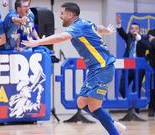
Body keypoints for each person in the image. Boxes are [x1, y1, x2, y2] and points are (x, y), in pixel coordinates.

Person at [22, 2, 126, 134]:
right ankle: (113, 124)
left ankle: (114, 129)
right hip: (96, 68)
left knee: (94, 106)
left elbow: (61, 37)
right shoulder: (85, 23)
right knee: (81, 103)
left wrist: (37, 42)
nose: (60, 16)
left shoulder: (78, 26)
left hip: (102, 67)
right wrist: (105, 30)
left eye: (62, 13)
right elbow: (96, 27)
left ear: (70, 14)